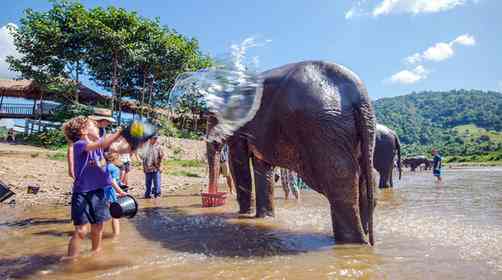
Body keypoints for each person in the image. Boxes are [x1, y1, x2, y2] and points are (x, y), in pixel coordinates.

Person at [62, 116, 125, 260]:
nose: (98, 128)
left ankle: (96, 253)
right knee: (82, 230)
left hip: (99, 192)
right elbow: (100, 144)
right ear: (83, 131)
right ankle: (71, 260)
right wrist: (119, 133)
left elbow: (105, 174)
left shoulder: (99, 151)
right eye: (94, 126)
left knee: (98, 227)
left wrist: (119, 190)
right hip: (82, 193)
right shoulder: (79, 144)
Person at [67, 110, 115, 179]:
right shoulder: (86, 127)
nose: (109, 123)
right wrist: (71, 168)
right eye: (107, 121)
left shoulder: (102, 130)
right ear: (100, 120)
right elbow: (71, 147)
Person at [104, 152, 127, 237]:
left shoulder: (104, 167)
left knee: (102, 215)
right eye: (119, 158)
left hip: (101, 194)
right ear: (115, 159)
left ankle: (98, 233)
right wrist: (120, 192)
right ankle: (116, 236)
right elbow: (112, 182)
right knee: (115, 215)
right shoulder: (114, 169)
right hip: (110, 194)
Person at [141, 135, 164, 199]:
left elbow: (161, 157)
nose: (155, 140)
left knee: (157, 183)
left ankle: (157, 195)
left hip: (156, 168)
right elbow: (142, 157)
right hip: (147, 168)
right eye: (154, 138)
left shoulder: (158, 147)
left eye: (156, 139)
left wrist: (161, 166)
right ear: (150, 139)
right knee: (148, 184)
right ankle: (148, 195)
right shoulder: (145, 147)